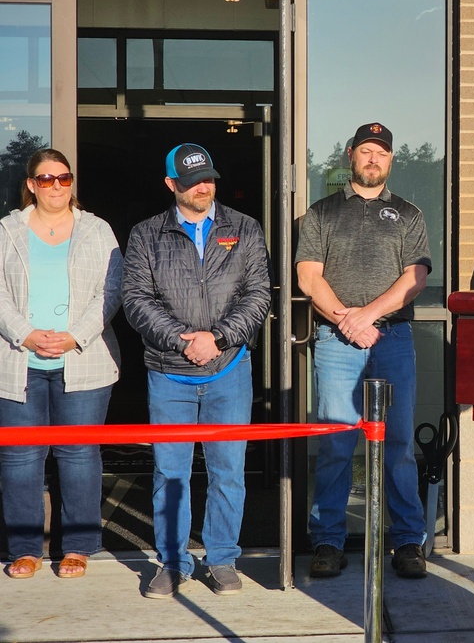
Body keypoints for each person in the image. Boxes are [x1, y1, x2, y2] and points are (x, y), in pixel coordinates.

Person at [121, 143, 271, 599]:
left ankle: (222, 558)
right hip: (169, 373)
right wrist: (182, 339)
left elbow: (258, 294)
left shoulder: (244, 228)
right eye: (191, 182)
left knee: (229, 471)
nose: (203, 187)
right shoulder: (146, 234)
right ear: (171, 185)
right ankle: (173, 562)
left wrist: (218, 338)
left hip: (229, 371)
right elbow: (136, 300)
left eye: (208, 178)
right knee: (171, 473)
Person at [296, 122, 432, 580]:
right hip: (337, 344)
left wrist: (367, 317)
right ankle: (328, 541)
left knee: (398, 444)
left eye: (382, 153)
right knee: (336, 443)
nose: (374, 159)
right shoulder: (320, 213)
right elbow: (308, 279)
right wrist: (346, 322)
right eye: (366, 151)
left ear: (391, 160)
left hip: (392, 340)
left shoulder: (409, 215)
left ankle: (408, 541)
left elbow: (415, 280)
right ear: (350, 154)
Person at [0, 149, 121, 580]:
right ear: (31, 184)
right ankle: (26, 548)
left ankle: (79, 547)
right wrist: (26, 334)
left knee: (79, 455)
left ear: (72, 183)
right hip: (18, 361)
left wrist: (75, 336)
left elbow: (111, 292)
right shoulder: (7, 231)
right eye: (46, 179)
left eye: (64, 178)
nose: (56, 186)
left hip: (83, 360)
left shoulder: (97, 230)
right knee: (19, 459)